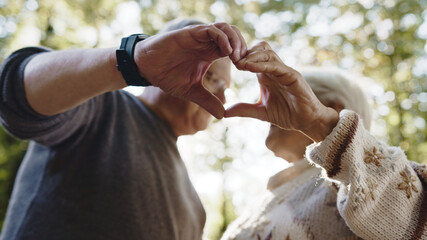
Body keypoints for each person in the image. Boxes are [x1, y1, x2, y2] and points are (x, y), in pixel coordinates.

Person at [0, 19, 247, 239]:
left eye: (226, 87)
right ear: (172, 62)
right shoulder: (104, 105)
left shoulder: (195, 204)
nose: (223, 98)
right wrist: (133, 61)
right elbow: (14, 92)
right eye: (214, 79)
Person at [222, 41, 426, 239]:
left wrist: (322, 125)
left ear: (333, 108)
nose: (269, 103)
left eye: (285, 96)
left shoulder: (353, 187)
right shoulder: (277, 191)